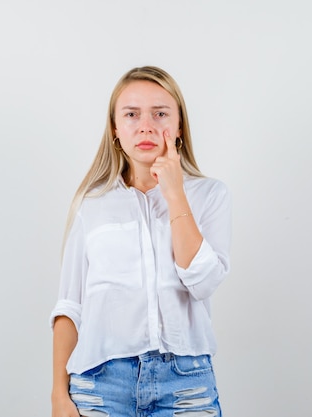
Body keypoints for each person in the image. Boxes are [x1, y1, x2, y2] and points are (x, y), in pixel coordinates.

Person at [50, 66, 231, 417]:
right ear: (116, 130)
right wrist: (59, 394)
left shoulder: (210, 195)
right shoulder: (92, 205)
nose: (146, 126)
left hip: (185, 385)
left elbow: (203, 281)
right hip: (100, 385)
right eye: (131, 114)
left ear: (179, 127)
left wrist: (174, 193)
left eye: (160, 114)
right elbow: (69, 307)